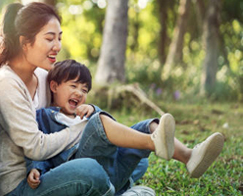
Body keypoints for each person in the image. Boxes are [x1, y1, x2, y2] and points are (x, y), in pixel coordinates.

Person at [0, 2, 151, 196]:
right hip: (24, 185)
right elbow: (36, 147)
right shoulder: (6, 82)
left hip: (56, 165)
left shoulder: (44, 76)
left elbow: (68, 112)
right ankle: (118, 190)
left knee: (135, 157)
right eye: (49, 39)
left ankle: (112, 186)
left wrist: (89, 116)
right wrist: (87, 128)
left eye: (59, 38)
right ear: (25, 42)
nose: (57, 46)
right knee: (90, 170)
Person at [26, 59, 224, 191]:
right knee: (99, 123)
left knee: (147, 126)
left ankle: (189, 156)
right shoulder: (44, 116)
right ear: (54, 86)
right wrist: (36, 168)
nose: (79, 93)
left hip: (109, 170)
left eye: (84, 89)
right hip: (82, 169)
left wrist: (93, 109)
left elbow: (111, 126)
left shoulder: (87, 112)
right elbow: (39, 146)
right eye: (73, 86)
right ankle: (153, 147)